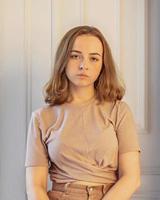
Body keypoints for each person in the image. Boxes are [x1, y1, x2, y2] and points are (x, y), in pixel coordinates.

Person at [25, 25, 142, 200]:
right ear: (63, 61)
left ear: (103, 65)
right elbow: (35, 186)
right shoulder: (41, 118)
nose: (83, 65)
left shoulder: (120, 111)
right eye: (75, 56)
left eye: (93, 58)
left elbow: (131, 178)